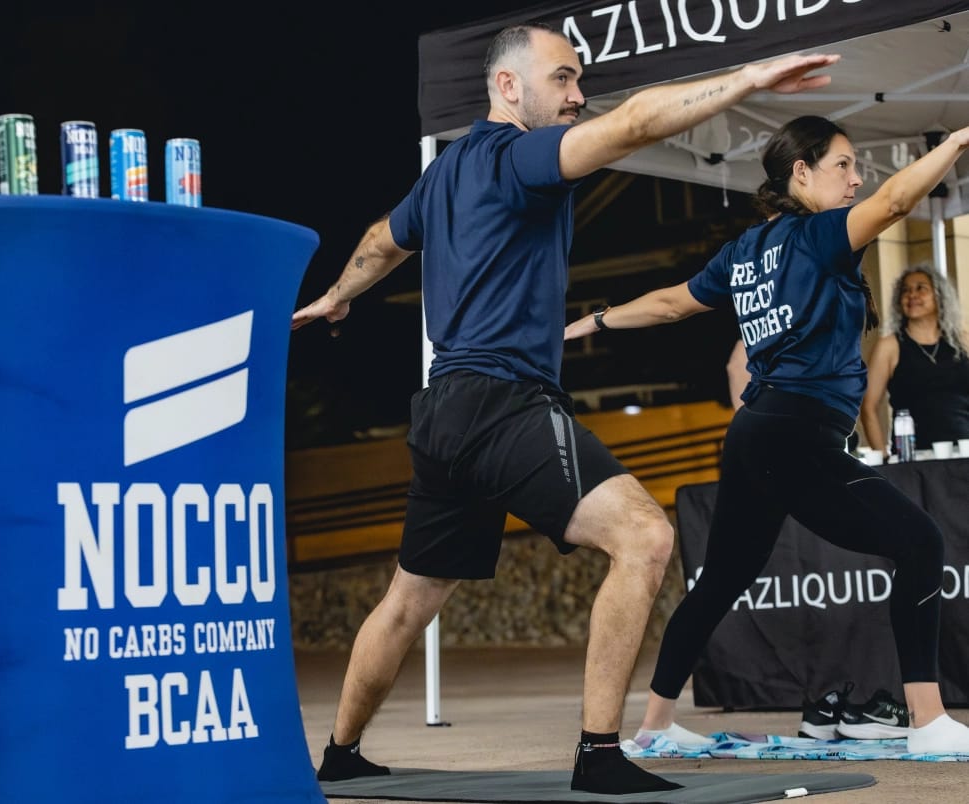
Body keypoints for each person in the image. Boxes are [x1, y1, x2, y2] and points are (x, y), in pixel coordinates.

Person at [291, 22, 840, 793]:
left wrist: (334, 299)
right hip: (502, 403)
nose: (579, 94)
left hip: (445, 411)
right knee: (646, 538)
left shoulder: (445, 174)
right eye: (563, 78)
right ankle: (599, 755)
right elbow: (636, 122)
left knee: (410, 599)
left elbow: (383, 237)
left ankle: (340, 754)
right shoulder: (520, 158)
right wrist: (749, 78)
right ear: (508, 87)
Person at [565, 114, 969, 754]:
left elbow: (673, 303)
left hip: (756, 432)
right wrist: (956, 141)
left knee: (722, 579)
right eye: (843, 165)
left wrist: (594, 320)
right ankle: (927, 721)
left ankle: (653, 726)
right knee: (919, 540)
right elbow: (896, 200)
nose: (856, 178)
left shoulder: (746, 250)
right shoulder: (821, 236)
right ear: (800, 172)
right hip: (796, 431)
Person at [860, 263, 969, 457]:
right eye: (906, 290)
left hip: (964, 450)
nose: (912, 295)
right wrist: (883, 457)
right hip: (914, 457)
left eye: (921, 288)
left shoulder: (964, 340)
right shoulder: (889, 346)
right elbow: (868, 407)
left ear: (940, 296)